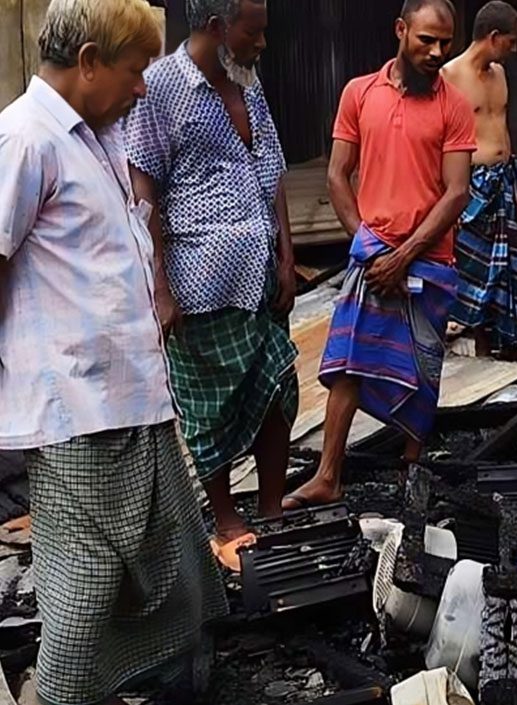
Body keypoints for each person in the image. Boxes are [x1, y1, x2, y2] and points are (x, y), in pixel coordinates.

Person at [0, 1, 228, 703]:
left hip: (131, 402)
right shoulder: (25, 140)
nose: (141, 89)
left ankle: (160, 681)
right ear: (90, 61)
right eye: (134, 72)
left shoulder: (94, 136)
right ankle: (60, 695)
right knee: (87, 586)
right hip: (78, 413)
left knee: (176, 571)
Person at [125, 0, 299, 570]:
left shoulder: (248, 83)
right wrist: (158, 288)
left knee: (279, 387)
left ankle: (272, 511)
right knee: (211, 411)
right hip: (201, 286)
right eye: (254, 31)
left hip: (259, 276)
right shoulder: (160, 88)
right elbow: (143, 192)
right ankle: (226, 517)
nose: (263, 43)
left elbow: (272, 173)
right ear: (216, 27)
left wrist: (286, 256)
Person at [281, 0, 475, 510]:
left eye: (445, 43)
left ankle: (410, 476)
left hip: (429, 260)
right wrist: (366, 249)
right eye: (426, 40)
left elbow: (456, 192)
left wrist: (405, 254)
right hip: (373, 257)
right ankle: (328, 475)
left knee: (421, 368)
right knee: (349, 362)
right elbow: (337, 175)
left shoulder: (453, 105)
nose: (436, 52)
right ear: (400, 30)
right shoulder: (358, 93)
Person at [441, 1, 517, 358]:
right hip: (470, 184)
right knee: (469, 271)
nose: (514, 50)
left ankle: (497, 349)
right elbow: (438, 139)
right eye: (510, 42)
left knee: (506, 270)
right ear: (492, 37)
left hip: (502, 184)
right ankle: (465, 347)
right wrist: (449, 195)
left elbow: (502, 127)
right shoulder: (449, 76)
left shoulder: (500, 75)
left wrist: (515, 187)